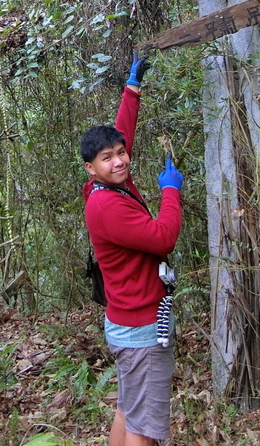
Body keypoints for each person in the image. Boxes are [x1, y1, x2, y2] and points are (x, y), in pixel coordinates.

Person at [81, 52, 184, 446]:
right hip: (141, 328)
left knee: (128, 409)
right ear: (90, 167)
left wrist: (132, 87)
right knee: (147, 429)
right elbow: (162, 238)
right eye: (107, 159)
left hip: (129, 322)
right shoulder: (108, 205)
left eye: (121, 153)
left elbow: (121, 135)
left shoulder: (104, 185)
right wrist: (170, 190)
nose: (120, 161)